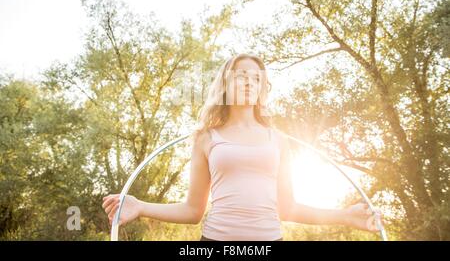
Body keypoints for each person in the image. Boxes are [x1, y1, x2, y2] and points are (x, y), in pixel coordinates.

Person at [102, 53, 383, 241]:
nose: (249, 82)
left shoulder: (278, 140)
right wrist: (140, 206)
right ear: (225, 83)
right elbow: (192, 211)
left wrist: (345, 216)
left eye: (257, 78)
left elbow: (289, 208)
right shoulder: (206, 138)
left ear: (263, 88)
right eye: (241, 75)